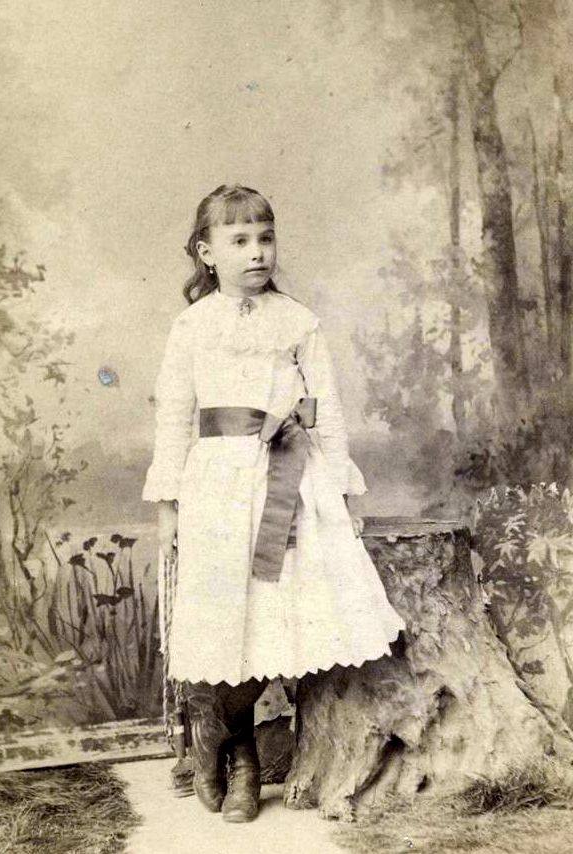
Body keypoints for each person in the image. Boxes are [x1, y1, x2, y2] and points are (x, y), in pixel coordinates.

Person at [142, 184, 406, 823]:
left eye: (265, 238)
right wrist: (168, 504)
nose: (257, 252)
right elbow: (174, 417)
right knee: (222, 617)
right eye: (239, 241)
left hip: (289, 479)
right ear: (207, 253)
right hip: (218, 485)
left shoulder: (297, 321)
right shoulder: (192, 327)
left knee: (276, 614)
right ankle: (233, 750)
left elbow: (328, 410)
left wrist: (341, 489)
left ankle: (235, 749)